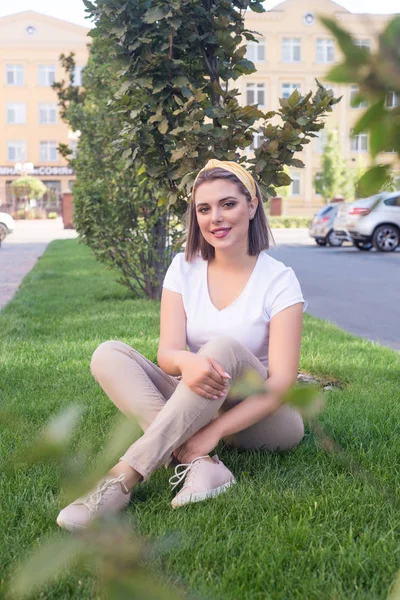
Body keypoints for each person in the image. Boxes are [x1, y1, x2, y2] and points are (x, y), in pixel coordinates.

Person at [57, 159, 308, 532]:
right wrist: (187, 365)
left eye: (228, 204)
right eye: (204, 209)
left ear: (252, 205)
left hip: (263, 417)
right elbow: (169, 353)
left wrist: (213, 433)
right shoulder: (183, 267)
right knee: (107, 354)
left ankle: (122, 477)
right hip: (198, 396)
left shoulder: (279, 280)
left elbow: (281, 385)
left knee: (221, 347)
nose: (215, 218)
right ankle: (200, 466)